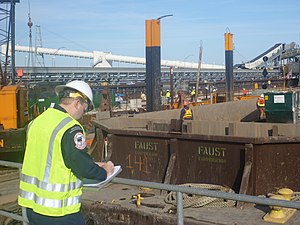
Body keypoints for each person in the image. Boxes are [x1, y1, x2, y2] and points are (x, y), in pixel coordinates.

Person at [18, 80, 115, 225]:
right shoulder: (70, 128)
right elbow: (82, 167)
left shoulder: (36, 122)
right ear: (77, 103)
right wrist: (105, 171)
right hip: (59, 213)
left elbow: (51, 157)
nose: (84, 113)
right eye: (85, 108)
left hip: (32, 208)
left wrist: (93, 163)